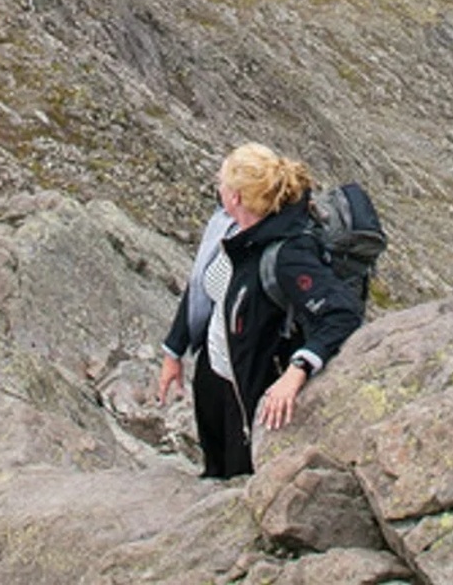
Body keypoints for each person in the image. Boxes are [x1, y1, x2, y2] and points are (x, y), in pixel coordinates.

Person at [156, 143, 365, 478]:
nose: (217, 186)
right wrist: (173, 350)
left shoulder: (287, 254)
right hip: (217, 374)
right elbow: (204, 286)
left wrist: (297, 371)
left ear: (236, 196)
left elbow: (342, 314)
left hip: (253, 393)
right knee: (214, 471)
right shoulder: (229, 228)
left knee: (239, 482)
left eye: (222, 182)